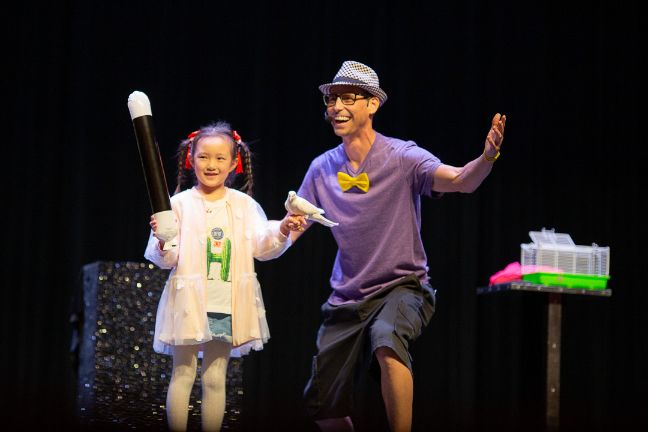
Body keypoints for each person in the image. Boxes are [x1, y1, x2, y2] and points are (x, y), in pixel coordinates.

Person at [283, 61, 507, 432]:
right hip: (347, 297)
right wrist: (272, 233)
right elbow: (288, 230)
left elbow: (461, 181)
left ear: (372, 104)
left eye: (347, 98)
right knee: (323, 406)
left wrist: (487, 157)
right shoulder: (321, 168)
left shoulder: (403, 157)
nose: (336, 107)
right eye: (331, 99)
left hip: (402, 287)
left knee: (386, 338)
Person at [144, 121, 301, 431]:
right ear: (191, 160)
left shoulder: (243, 205)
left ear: (233, 163)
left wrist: (283, 228)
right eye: (203, 157)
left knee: (215, 378)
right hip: (189, 302)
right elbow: (168, 257)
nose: (211, 165)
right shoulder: (178, 204)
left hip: (226, 303)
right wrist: (163, 240)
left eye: (219, 158)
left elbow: (262, 245)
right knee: (183, 373)